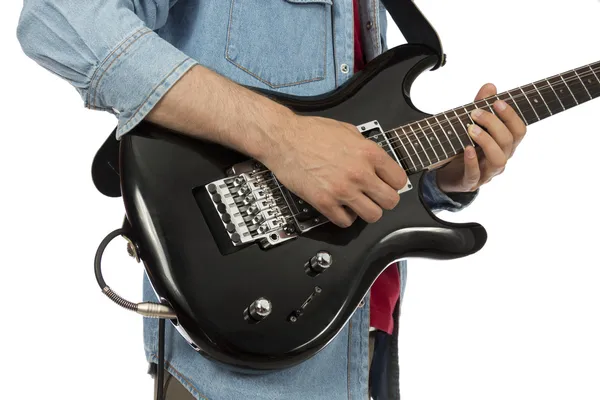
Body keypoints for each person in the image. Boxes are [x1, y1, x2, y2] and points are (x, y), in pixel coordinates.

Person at [16, 1, 527, 399]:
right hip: (241, 365)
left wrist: (439, 179)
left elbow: (351, 136)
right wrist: (283, 138)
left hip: (362, 335)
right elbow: (59, 15)